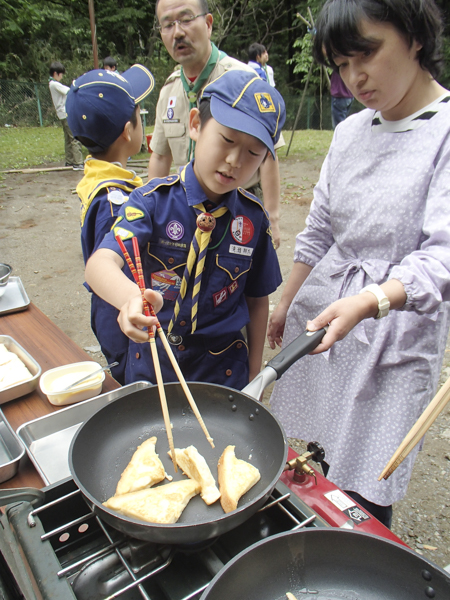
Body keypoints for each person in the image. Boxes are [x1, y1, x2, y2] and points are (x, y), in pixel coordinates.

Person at [267, 0, 450, 529]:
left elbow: (443, 253)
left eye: (365, 54)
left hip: (394, 330)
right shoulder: (350, 133)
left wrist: (372, 300)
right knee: (309, 466)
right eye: (340, 65)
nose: (354, 78)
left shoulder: (444, 132)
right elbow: (321, 228)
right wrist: (285, 303)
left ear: (415, 35)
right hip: (328, 318)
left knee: (365, 489)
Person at [86, 70, 286, 389]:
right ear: (195, 124)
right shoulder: (150, 202)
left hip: (223, 371)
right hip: (156, 365)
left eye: (253, 152)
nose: (235, 160)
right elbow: (100, 264)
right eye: (228, 140)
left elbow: (257, 299)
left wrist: (254, 373)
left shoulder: (252, 220)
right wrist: (130, 299)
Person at [148, 0, 284, 249]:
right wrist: (151, 208)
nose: (178, 32)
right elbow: (159, 156)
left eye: (186, 19)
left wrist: (272, 217)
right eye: (168, 25)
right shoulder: (169, 89)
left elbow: (267, 154)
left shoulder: (243, 81)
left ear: (208, 23)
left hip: (239, 204)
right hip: (188, 205)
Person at [66, 65, 155, 384]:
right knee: (138, 387)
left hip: (111, 311)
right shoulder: (115, 200)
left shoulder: (97, 179)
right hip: (122, 319)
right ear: (128, 132)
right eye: (140, 111)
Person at [48, 61, 84, 171]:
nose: (62, 76)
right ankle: (78, 162)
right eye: (61, 74)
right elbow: (69, 91)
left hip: (62, 114)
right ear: (55, 73)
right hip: (65, 113)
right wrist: (75, 84)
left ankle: (70, 160)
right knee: (74, 137)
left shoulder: (52, 84)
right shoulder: (54, 84)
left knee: (68, 139)